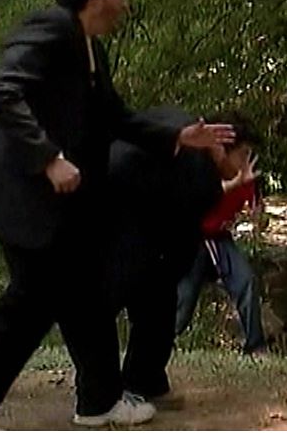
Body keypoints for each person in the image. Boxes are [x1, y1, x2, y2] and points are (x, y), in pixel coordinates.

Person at [0, 0, 233, 429]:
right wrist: (48, 158)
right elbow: (2, 89)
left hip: (58, 204)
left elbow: (115, 118)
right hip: (23, 196)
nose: (126, 3)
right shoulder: (54, 28)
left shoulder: (91, 49)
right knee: (30, 304)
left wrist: (178, 136)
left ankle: (100, 401)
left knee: (82, 294)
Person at [106, 108, 264, 403]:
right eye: (243, 154)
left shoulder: (192, 143)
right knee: (113, 302)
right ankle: (101, 395)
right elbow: (182, 238)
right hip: (114, 215)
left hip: (135, 218)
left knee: (158, 300)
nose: (245, 163)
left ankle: (145, 381)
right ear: (224, 145)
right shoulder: (197, 164)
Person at [175, 121, 267, 356]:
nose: (245, 159)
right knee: (185, 297)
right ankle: (162, 343)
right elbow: (202, 197)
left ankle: (256, 346)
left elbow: (257, 211)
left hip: (219, 238)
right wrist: (234, 184)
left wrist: (258, 216)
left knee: (246, 281)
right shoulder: (203, 169)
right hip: (194, 237)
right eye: (242, 154)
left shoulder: (246, 177)